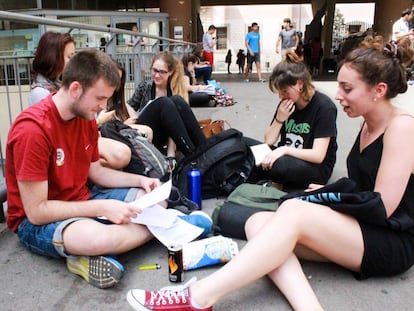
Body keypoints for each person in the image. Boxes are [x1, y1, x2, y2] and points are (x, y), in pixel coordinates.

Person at [126, 40, 414, 311]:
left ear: (379, 90)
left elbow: (383, 206)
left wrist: (327, 197)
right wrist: (326, 193)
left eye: (347, 88)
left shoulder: (401, 127)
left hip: (390, 241)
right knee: (258, 223)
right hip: (361, 228)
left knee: (292, 209)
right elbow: (361, 184)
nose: (339, 95)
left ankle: (199, 297)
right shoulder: (367, 123)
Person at [6, 49, 161, 289]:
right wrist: (101, 207)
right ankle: (163, 229)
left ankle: (94, 251)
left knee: (154, 200)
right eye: (99, 98)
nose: (103, 107)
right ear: (76, 89)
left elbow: (97, 173)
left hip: (82, 198)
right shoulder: (33, 130)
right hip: (35, 223)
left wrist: (140, 180)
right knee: (99, 237)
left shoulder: (85, 118)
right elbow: (36, 212)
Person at [253, 50, 337, 190]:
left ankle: (269, 178)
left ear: (300, 84)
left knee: (278, 166)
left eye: (284, 91)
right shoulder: (287, 103)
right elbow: (268, 141)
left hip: (314, 167)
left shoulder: (324, 107)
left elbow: (318, 155)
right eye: (279, 92)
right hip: (286, 156)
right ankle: (267, 175)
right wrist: (280, 119)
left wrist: (284, 150)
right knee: (247, 147)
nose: (281, 96)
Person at [127, 51, 207, 159]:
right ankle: (194, 157)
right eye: (154, 70)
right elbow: (128, 105)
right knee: (164, 102)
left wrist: (171, 153)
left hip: (162, 134)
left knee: (177, 101)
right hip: (144, 131)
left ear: (170, 72)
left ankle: (205, 150)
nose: (156, 75)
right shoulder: (145, 87)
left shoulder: (174, 89)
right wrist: (129, 118)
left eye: (162, 72)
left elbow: (175, 126)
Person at [28, 31, 75, 106]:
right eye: (69, 57)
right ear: (54, 58)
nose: (73, 61)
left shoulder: (58, 84)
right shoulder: (41, 93)